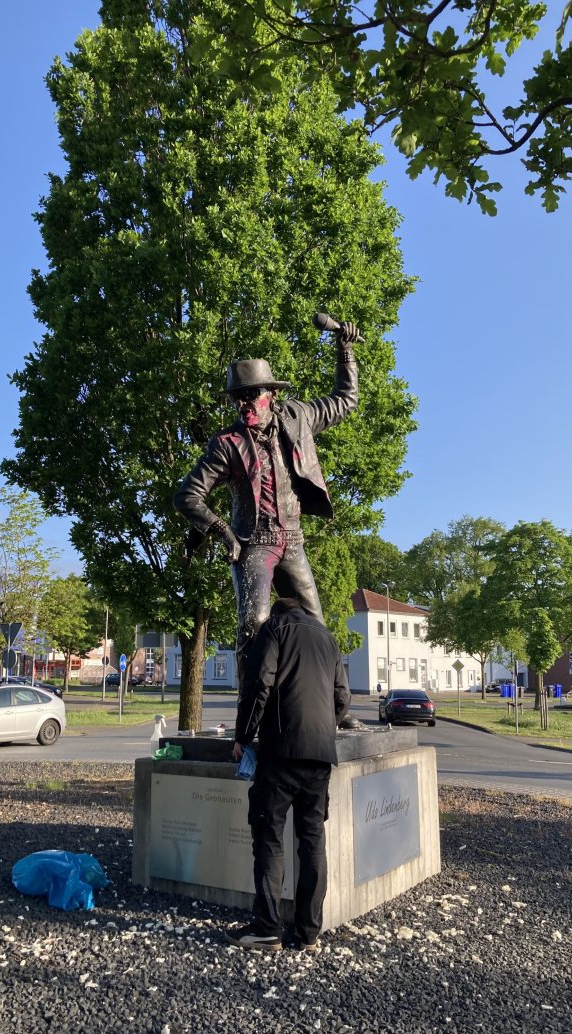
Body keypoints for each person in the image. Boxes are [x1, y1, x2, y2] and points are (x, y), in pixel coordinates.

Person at [174, 317, 359, 688]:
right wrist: (224, 533)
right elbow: (186, 495)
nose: (244, 404)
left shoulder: (299, 416)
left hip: (292, 540)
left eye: (251, 394)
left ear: (270, 394)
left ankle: (335, 710)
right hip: (252, 545)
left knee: (317, 629)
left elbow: (346, 400)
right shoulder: (226, 443)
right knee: (253, 626)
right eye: (237, 397)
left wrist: (345, 350)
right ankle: (250, 715)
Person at [225, 598, 350, 952]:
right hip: (321, 757)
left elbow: (258, 685)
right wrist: (327, 728)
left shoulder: (273, 629)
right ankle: (309, 932)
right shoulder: (326, 637)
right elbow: (343, 697)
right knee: (312, 841)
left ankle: (267, 927)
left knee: (269, 836)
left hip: (280, 751)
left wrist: (242, 737)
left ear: (277, 612)